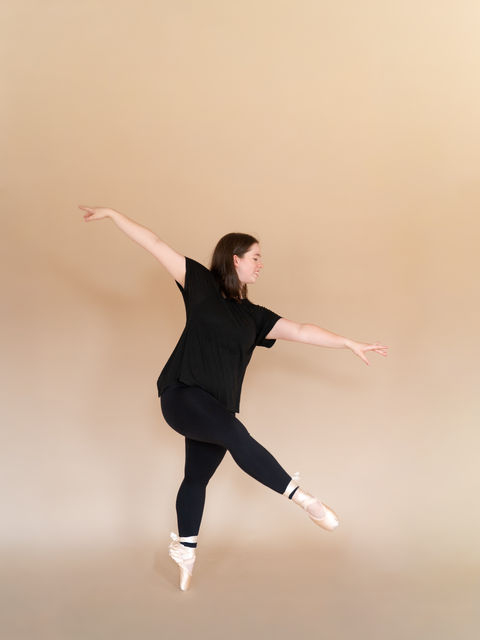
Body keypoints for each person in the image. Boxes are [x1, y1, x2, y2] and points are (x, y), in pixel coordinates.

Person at [78, 205, 389, 591]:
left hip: (214, 408)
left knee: (196, 478)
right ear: (235, 259)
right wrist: (113, 214)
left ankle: (186, 551)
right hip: (182, 395)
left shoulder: (254, 317)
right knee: (235, 434)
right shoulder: (200, 284)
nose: (260, 265)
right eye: (255, 257)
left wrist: (348, 343)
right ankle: (305, 500)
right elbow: (155, 244)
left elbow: (302, 330)